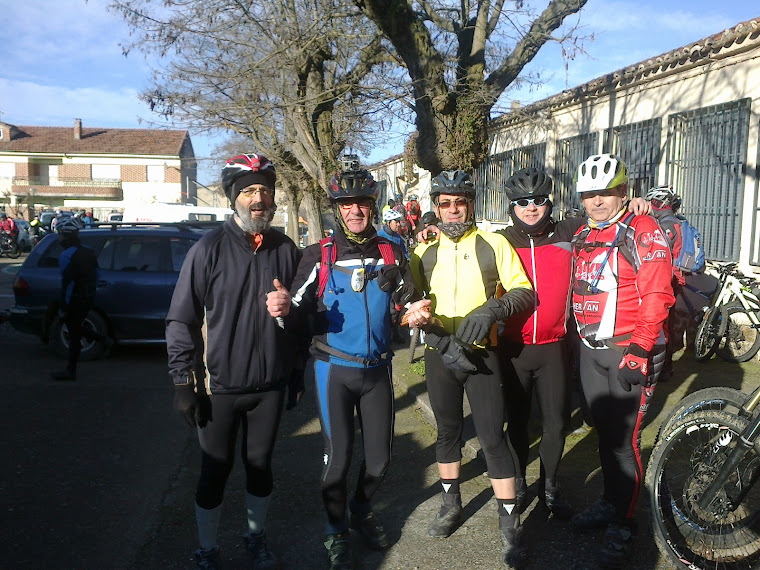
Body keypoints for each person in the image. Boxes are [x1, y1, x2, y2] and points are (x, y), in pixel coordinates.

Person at [277, 159, 426, 570]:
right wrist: (284, 312)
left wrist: (411, 311)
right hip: (334, 371)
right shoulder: (319, 255)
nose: (355, 211)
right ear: (336, 208)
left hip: (378, 369)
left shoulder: (392, 250)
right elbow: (294, 311)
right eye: (346, 204)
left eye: (362, 203)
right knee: (338, 459)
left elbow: (406, 300)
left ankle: (360, 509)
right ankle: (334, 531)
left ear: (372, 206)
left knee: (380, 462)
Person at [166, 153, 301, 570]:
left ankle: (255, 539)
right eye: (247, 191)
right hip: (219, 388)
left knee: (260, 469)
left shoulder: (285, 248)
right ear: (233, 199)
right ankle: (207, 549)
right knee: (214, 472)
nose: (258, 198)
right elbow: (181, 318)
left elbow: (300, 314)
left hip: (268, 388)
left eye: (264, 189)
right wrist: (183, 382)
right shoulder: (208, 249)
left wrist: (295, 370)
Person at [407, 170, 534, 567]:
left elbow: (525, 291)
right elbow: (409, 297)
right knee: (447, 430)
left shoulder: (493, 244)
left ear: (471, 203)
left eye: (459, 201)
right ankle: (450, 504)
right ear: (435, 208)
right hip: (440, 350)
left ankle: (509, 519)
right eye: (444, 203)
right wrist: (412, 310)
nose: (452, 209)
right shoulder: (423, 251)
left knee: (493, 436)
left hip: (483, 353)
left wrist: (493, 309)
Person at [569, 154, 674, 568]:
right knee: (605, 434)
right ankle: (611, 503)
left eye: (607, 192)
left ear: (622, 192)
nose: (597, 201)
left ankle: (626, 522)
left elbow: (657, 294)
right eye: (590, 194)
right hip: (592, 351)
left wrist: (641, 347)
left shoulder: (642, 228)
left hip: (630, 349)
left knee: (626, 442)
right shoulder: (582, 232)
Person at [49, 216, 98, 381]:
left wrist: (65, 305)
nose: (59, 237)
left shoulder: (66, 255)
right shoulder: (89, 250)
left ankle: (71, 370)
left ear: (65, 235)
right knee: (76, 327)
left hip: (75, 298)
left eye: (60, 234)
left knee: (74, 333)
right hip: (88, 296)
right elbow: (96, 274)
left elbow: (68, 283)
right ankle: (102, 339)